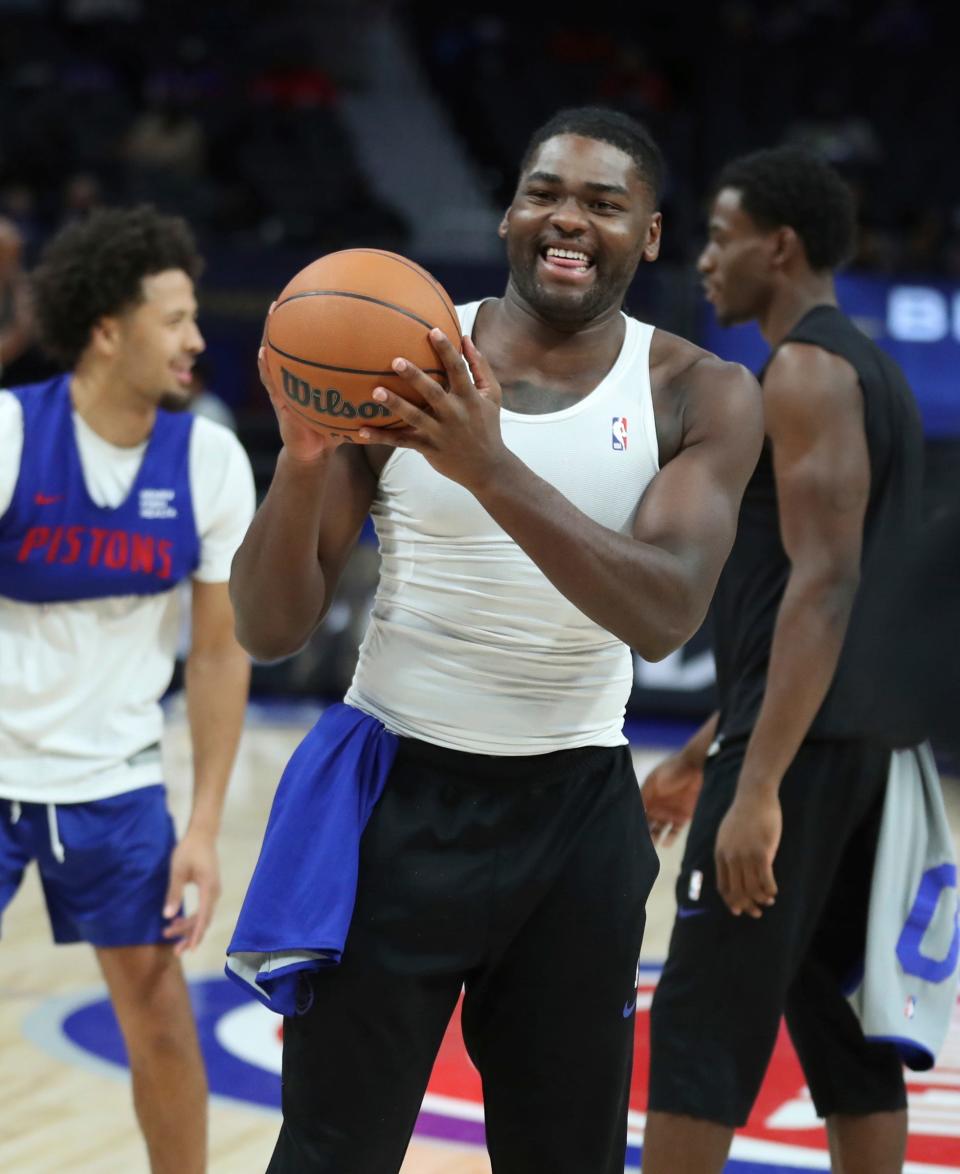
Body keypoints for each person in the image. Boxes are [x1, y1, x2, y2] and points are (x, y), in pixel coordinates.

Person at [228, 105, 762, 1174]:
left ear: (650, 234)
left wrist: (489, 464)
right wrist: (298, 461)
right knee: (332, 1148)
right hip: (392, 801)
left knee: (562, 1154)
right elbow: (269, 628)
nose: (568, 219)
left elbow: (662, 615)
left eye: (604, 203)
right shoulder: (399, 355)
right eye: (544, 192)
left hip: (574, 817)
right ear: (511, 212)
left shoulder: (700, 393)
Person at [642, 147, 927, 1174]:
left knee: (699, 1024)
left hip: (798, 760)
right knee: (845, 1029)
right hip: (853, 746)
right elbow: (834, 608)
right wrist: (705, 748)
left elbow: (825, 585)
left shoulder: (803, 368)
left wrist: (754, 780)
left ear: (781, 245)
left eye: (719, 237)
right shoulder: (873, 368)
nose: (705, 260)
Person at [0, 206, 255, 1174]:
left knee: (157, 1016)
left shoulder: (209, 458)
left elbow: (221, 656)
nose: (198, 339)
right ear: (107, 327)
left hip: (114, 783)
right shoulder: (11, 435)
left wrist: (200, 825)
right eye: (175, 317)